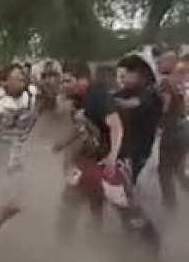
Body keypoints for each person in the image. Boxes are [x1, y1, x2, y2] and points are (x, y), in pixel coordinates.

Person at [53, 68, 160, 252]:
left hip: (112, 161)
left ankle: (151, 251)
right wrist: (63, 143)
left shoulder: (97, 97)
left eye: (67, 80)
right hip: (90, 159)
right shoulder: (79, 101)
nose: (63, 85)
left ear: (83, 79)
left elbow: (116, 126)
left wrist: (112, 156)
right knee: (70, 200)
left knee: (127, 208)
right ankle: (63, 249)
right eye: (62, 81)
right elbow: (81, 126)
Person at [114, 53, 163, 184]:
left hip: (141, 150)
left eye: (131, 70)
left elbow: (131, 103)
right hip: (127, 147)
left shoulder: (150, 93)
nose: (126, 75)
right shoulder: (127, 91)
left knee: (130, 183)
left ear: (144, 75)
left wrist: (108, 101)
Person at [158, 54, 189, 208]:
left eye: (162, 61)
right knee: (178, 169)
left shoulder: (166, 82)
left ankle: (170, 208)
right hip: (184, 128)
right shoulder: (182, 81)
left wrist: (157, 123)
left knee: (164, 170)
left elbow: (164, 106)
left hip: (172, 131)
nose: (159, 63)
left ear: (170, 63)